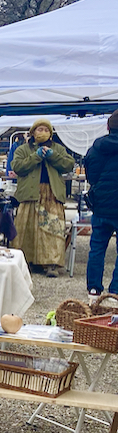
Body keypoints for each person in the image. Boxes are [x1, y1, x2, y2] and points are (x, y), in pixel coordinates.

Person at [11, 118, 75, 278]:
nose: (43, 133)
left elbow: (69, 165)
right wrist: (36, 156)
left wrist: (53, 156)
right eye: (40, 129)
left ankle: (51, 264)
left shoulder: (58, 149)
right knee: (27, 229)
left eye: (46, 130)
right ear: (33, 132)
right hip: (30, 194)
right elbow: (17, 167)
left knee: (52, 230)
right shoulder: (22, 149)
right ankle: (27, 261)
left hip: (51, 194)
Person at [84, 110, 118, 300]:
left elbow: (92, 175)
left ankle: (94, 290)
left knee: (97, 248)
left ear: (108, 127)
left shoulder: (97, 147)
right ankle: (115, 292)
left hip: (102, 205)